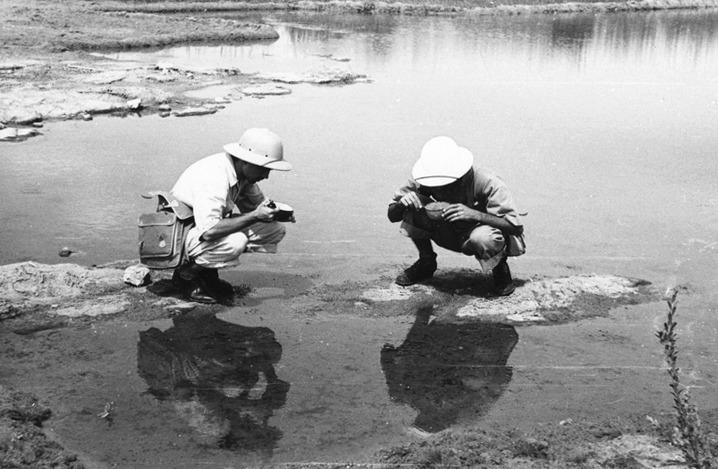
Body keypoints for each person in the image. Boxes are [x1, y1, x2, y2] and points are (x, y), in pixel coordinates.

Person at [388, 136, 525, 296]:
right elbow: (392, 215)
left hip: (474, 235)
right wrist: (402, 203)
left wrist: (474, 215)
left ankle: (500, 269)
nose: (440, 189)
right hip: (445, 230)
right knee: (412, 203)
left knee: (483, 238)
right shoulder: (423, 178)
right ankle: (426, 261)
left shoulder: (486, 181)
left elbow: (515, 227)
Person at [170, 127, 293, 304]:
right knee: (236, 241)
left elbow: (255, 206)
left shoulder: (242, 174)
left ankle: (206, 272)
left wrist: (278, 214)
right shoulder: (215, 176)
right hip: (181, 234)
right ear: (246, 162)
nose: (266, 176)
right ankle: (185, 275)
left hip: (199, 228)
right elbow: (209, 231)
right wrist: (255, 215)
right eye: (263, 169)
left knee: (274, 230)